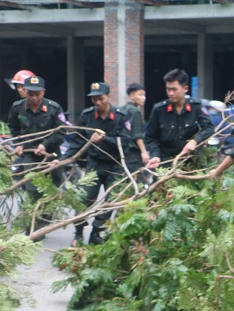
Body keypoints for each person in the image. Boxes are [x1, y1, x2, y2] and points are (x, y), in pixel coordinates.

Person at [61, 82, 134, 246]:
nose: (98, 103)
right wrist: (64, 159)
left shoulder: (122, 116)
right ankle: (78, 233)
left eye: (101, 99)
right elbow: (77, 141)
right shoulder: (87, 116)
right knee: (84, 198)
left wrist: (105, 138)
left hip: (115, 166)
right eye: (94, 100)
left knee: (110, 202)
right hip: (94, 165)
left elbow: (127, 142)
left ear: (109, 97)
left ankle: (96, 232)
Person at [6, 75, 71, 230]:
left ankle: (44, 220)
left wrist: (45, 144)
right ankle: (34, 226)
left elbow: (61, 132)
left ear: (43, 92)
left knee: (52, 190)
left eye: (37, 94)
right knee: (32, 190)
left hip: (51, 154)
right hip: (29, 155)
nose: (34, 98)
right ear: (25, 92)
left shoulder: (54, 108)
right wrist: (18, 144)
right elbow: (13, 127)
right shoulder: (18, 107)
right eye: (30, 94)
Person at [145, 69, 214, 169]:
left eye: (174, 89)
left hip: (191, 161)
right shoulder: (159, 110)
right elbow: (151, 137)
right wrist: (155, 155)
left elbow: (209, 128)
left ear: (185, 89)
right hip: (166, 162)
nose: (170, 93)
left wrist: (194, 141)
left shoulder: (196, 106)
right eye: (168, 89)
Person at [121, 82, 149, 170]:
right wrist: (144, 152)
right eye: (140, 95)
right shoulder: (135, 111)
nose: (144, 98)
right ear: (131, 96)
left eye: (144, 95)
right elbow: (137, 135)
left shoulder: (122, 109)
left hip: (123, 151)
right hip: (133, 153)